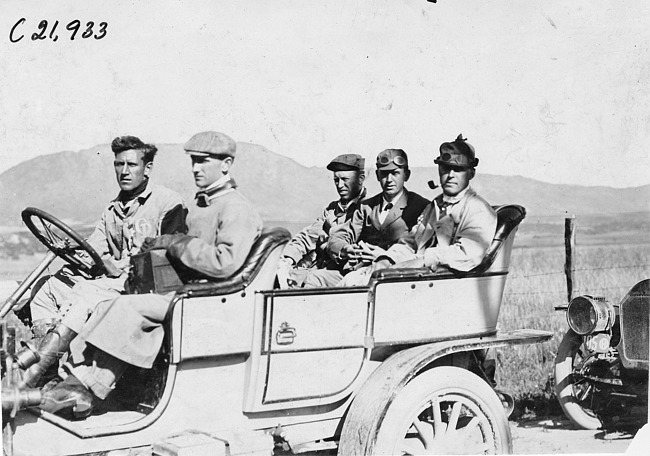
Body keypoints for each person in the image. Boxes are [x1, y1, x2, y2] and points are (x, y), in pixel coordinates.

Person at [39, 131, 263, 419]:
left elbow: (225, 264)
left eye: (204, 161)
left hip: (207, 300)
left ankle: (86, 386)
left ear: (226, 164)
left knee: (125, 306)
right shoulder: (206, 205)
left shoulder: (235, 207)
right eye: (193, 161)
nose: (195, 168)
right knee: (109, 303)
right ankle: (71, 376)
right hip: (189, 293)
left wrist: (174, 243)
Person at [19, 136, 187, 387]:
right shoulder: (113, 209)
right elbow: (94, 246)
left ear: (147, 168)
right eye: (119, 165)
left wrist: (117, 267)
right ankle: (46, 371)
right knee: (47, 288)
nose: (124, 171)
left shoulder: (167, 203)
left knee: (84, 294)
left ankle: (29, 381)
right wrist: (74, 252)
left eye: (132, 165)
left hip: (141, 286)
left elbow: (169, 255)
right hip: (110, 282)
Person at [340, 134, 497, 286]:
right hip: (418, 276)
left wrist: (423, 260)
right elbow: (411, 242)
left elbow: (466, 254)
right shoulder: (434, 206)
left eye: (458, 170)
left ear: (471, 173)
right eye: (445, 168)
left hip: (443, 283)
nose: (450, 175)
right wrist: (386, 259)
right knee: (350, 281)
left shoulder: (478, 210)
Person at [309, 149, 428, 288]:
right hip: (359, 271)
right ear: (377, 175)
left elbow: (417, 250)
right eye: (384, 174)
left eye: (395, 173)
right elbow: (340, 236)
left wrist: (383, 257)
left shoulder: (421, 207)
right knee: (315, 279)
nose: (389, 180)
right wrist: (345, 249)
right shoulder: (366, 207)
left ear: (406, 175)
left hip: (395, 275)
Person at [276, 153, 367, 288]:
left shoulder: (368, 209)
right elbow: (309, 235)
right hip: (318, 268)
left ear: (360, 179)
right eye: (336, 180)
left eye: (345, 179)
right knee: (279, 278)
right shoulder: (331, 209)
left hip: (345, 276)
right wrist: (288, 258)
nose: (340, 185)